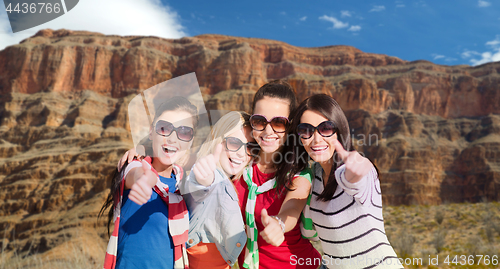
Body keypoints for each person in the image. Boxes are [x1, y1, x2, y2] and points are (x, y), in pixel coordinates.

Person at [276, 94, 402, 269]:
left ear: (339, 129)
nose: (316, 139)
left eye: (326, 128)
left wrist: (355, 173)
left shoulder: (358, 171)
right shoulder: (316, 177)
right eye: (306, 130)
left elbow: (356, 179)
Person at [100, 96, 198, 269]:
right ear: (152, 132)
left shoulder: (183, 184)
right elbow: (135, 174)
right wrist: (146, 179)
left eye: (184, 131)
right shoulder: (135, 165)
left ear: (190, 141)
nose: (173, 138)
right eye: (164, 128)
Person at [233, 80, 322, 269]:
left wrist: (279, 224)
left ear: (290, 127)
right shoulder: (240, 165)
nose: (268, 131)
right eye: (259, 121)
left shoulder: (299, 176)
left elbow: (292, 208)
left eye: (279, 123)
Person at [179, 111, 257, 269]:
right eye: (234, 143)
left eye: (250, 147)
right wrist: (204, 178)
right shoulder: (212, 175)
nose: (242, 153)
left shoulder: (238, 180)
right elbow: (203, 186)